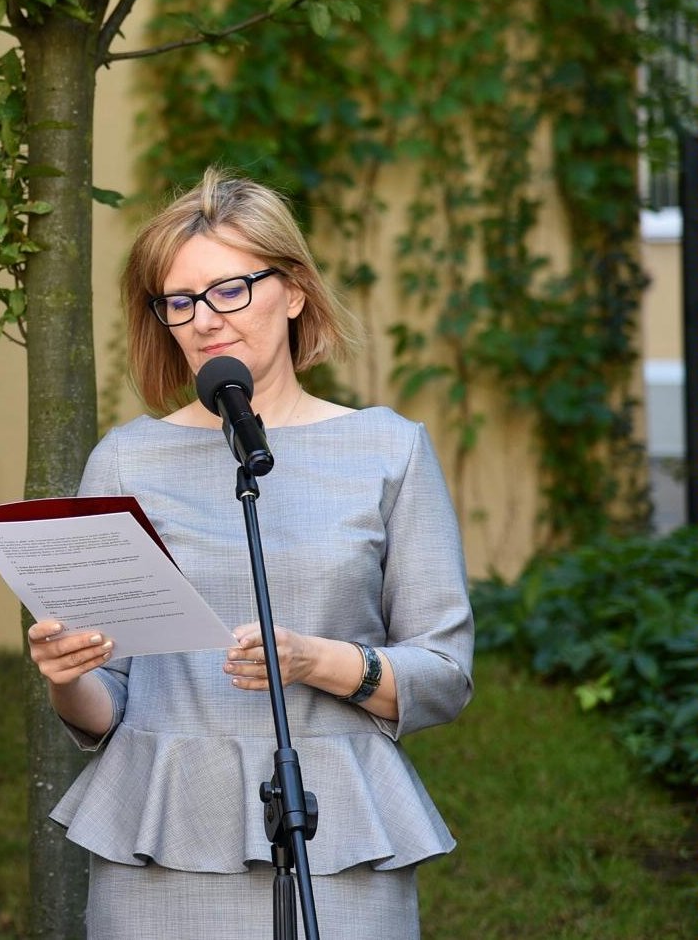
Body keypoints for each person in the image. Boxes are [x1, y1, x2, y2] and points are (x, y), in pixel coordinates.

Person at [28, 169, 474, 938]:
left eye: (231, 289)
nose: (205, 320)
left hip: (340, 842)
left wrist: (314, 660)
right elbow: (106, 703)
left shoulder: (389, 450)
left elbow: (444, 674)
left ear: (294, 289)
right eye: (180, 301)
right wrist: (69, 678)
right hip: (160, 844)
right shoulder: (127, 461)